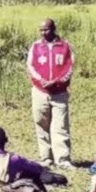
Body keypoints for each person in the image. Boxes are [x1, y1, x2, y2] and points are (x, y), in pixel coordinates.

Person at [27, 18, 75, 168]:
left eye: (46, 29)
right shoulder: (35, 46)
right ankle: (45, 158)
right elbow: (30, 66)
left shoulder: (65, 46)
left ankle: (63, 159)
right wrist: (41, 80)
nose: (43, 33)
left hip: (59, 93)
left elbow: (70, 67)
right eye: (41, 30)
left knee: (60, 126)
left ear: (53, 29)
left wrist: (56, 81)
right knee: (41, 124)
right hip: (40, 91)